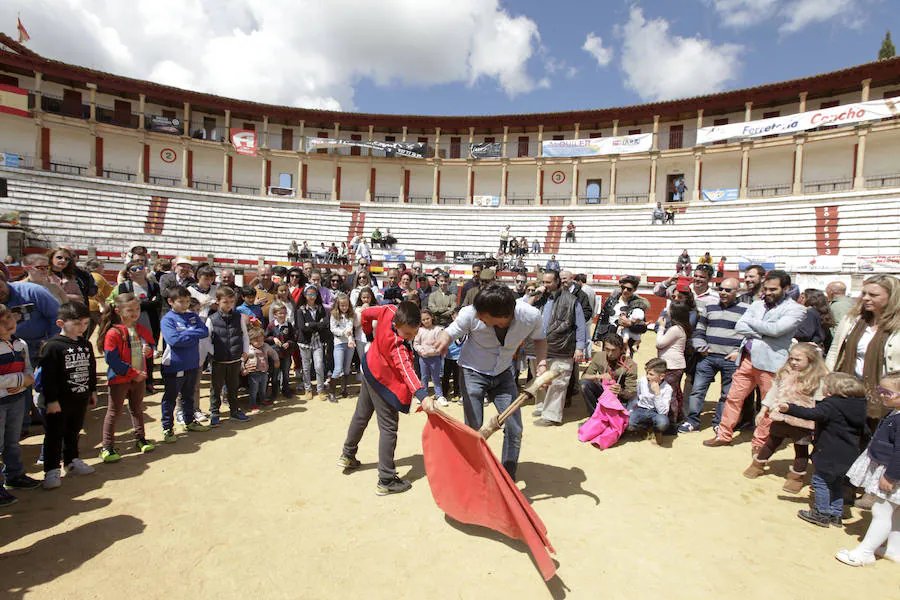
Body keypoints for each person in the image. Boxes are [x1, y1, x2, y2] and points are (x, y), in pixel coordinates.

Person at [435, 284, 547, 479]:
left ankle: (507, 478)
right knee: (474, 429)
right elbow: (451, 330)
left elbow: (539, 339)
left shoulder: (531, 316)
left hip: (504, 374)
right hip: (472, 373)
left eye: (482, 316)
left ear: (501, 318)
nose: (478, 317)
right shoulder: (471, 312)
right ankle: (475, 474)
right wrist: (443, 339)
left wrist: (542, 365)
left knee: (514, 428)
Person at [704, 270, 807, 450]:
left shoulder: (796, 309)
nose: (767, 292)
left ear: (786, 288)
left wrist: (756, 327)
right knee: (733, 398)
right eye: (766, 288)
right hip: (747, 359)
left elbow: (777, 330)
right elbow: (740, 326)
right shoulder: (757, 304)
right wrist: (765, 332)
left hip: (772, 363)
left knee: (767, 404)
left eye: (773, 289)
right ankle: (723, 434)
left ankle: (760, 442)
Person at [338, 302, 432, 496]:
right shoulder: (398, 345)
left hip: (369, 369)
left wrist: (369, 334)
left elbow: (365, 314)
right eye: (407, 334)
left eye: (414, 332)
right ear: (397, 325)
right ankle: (386, 479)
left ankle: (348, 454)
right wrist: (422, 395)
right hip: (384, 383)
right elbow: (406, 370)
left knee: (361, 416)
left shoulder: (389, 310)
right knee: (389, 428)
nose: (411, 337)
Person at [774, 372, 867, 528]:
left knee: (820, 481)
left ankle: (821, 513)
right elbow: (865, 433)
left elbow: (811, 414)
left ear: (832, 391)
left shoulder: (831, 405)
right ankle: (835, 514)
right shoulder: (858, 407)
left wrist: (789, 408)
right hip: (849, 454)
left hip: (829, 452)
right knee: (837, 483)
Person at [834, 371, 900, 566]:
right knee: (895, 512)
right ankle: (894, 549)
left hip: (893, 472)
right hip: (891, 470)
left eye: (887, 392)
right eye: (880, 390)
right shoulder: (895, 412)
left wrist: (891, 476)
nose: (881, 395)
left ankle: (865, 552)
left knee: (881, 511)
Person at [743, 343, 828, 493]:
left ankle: (796, 477)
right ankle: (758, 464)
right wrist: (764, 409)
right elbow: (774, 391)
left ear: (811, 360)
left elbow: (820, 403)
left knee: (801, 449)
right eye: (791, 359)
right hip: (781, 417)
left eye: (798, 360)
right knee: (771, 442)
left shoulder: (818, 378)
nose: (793, 362)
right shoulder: (785, 373)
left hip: (803, 421)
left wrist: (818, 422)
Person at [37, 302, 97, 490]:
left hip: (79, 398)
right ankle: (51, 469)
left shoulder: (85, 344)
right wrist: (52, 400)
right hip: (58, 402)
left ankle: (71, 461)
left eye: (86, 323)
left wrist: (92, 390)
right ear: (61, 323)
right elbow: (48, 376)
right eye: (78, 323)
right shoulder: (53, 347)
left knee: (73, 431)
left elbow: (91, 369)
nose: (82, 328)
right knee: (54, 435)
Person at [826, 274, 900, 428]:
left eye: (873, 295)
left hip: (886, 396)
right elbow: (835, 350)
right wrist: (827, 379)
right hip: (850, 390)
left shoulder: (897, 325)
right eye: (864, 293)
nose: (865, 298)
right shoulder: (852, 319)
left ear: (891, 297)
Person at [679, 278, 749, 433]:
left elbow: (750, 335)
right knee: (697, 390)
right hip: (708, 356)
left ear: (738, 292)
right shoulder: (710, 306)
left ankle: (719, 423)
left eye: (728, 290)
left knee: (726, 394)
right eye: (721, 289)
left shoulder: (746, 309)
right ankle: (692, 421)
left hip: (730, 359)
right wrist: (700, 346)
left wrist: (739, 351)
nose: (723, 293)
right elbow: (699, 329)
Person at [98, 293, 156, 462]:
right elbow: (111, 359)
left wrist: (149, 351)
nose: (134, 313)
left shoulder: (140, 329)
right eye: (130, 310)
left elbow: (150, 346)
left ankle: (140, 438)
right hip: (120, 379)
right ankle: (107, 446)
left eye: (137, 309)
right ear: (118, 310)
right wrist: (134, 374)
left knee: (137, 409)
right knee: (114, 412)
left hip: (139, 378)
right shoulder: (113, 333)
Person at [530, 270, 586, 427]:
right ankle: (542, 407)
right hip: (540, 346)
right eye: (543, 282)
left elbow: (580, 325)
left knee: (559, 383)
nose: (545, 285)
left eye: (548, 282)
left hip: (562, 347)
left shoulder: (571, 300)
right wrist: (535, 295)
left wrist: (580, 347)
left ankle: (552, 415)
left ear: (557, 282)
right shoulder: (540, 298)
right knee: (541, 379)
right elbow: (524, 307)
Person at [158, 285, 211, 442]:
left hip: (192, 363)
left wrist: (186, 333)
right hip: (175, 365)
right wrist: (191, 335)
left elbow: (204, 332)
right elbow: (174, 340)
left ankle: (189, 421)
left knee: (188, 396)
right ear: (171, 301)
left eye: (187, 301)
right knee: (171, 397)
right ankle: (167, 427)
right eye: (181, 301)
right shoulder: (168, 319)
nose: (185, 304)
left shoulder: (192, 316)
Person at [0, 304, 38, 499]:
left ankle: (14, 475)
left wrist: (23, 383)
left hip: (16, 400)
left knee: (12, 442)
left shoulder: (20, 344)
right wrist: (19, 381)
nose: (8, 323)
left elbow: (29, 370)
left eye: (9, 317)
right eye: (1, 321)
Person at [113, 259, 162, 394]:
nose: (138, 270)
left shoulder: (153, 286)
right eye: (134, 269)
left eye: (140, 267)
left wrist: (137, 304)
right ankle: (129, 378)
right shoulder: (124, 286)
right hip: (130, 323)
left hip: (148, 322)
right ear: (128, 273)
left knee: (148, 351)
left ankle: (149, 381)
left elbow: (157, 303)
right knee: (129, 351)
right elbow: (124, 304)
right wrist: (146, 303)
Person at [206, 286, 251, 426]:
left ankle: (234, 411)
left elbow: (244, 336)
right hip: (218, 361)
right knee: (216, 388)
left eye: (231, 301)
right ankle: (215, 413)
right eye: (225, 302)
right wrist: (214, 353)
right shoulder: (212, 319)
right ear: (218, 301)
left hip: (235, 359)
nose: (229, 305)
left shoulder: (239, 317)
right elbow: (206, 340)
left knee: (233, 387)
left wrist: (244, 351)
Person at [580, 333, 637, 416]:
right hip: (603, 391)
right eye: (607, 349)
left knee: (627, 424)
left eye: (613, 350)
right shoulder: (599, 356)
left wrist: (621, 392)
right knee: (584, 384)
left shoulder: (630, 364)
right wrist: (599, 376)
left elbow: (631, 392)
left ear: (621, 350)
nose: (609, 353)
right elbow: (584, 377)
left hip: (619, 398)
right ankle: (594, 415)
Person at [592, 275, 650, 355]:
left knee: (622, 365)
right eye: (623, 288)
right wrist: (596, 337)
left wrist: (630, 324)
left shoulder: (638, 304)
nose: (625, 291)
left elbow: (643, 328)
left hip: (626, 341)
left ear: (635, 290)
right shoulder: (611, 299)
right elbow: (602, 318)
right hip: (609, 338)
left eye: (629, 289)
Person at [655, 302, 691, 426]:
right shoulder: (681, 328)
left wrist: (661, 327)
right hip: (675, 364)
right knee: (675, 392)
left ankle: (671, 421)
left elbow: (660, 343)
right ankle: (677, 417)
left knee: (670, 393)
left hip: (671, 365)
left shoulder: (675, 329)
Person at [627, 358, 672, 445]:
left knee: (663, 423)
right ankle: (646, 429)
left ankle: (656, 431)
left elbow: (663, 411)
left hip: (656, 413)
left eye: (651, 374)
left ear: (661, 376)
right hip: (641, 409)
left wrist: (657, 393)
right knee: (627, 423)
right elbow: (636, 397)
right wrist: (630, 410)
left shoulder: (667, 388)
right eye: (647, 373)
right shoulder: (642, 381)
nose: (648, 376)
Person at [297, 285, 329, 398]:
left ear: (317, 295)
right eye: (309, 294)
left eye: (313, 294)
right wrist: (317, 324)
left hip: (318, 340)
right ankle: (308, 389)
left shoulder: (320, 308)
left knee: (319, 365)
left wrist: (310, 324)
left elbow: (325, 324)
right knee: (306, 367)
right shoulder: (301, 310)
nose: (311, 297)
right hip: (304, 342)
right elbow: (302, 327)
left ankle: (320, 390)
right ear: (305, 295)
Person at [242, 321, 278, 415]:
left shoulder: (265, 346)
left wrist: (276, 360)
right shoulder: (248, 349)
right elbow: (242, 359)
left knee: (263, 388)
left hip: (264, 372)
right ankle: (252, 404)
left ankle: (263, 400)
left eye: (261, 340)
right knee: (254, 390)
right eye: (256, 341)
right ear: (251, 340)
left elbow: (273, 352)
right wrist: (243, 369)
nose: (259, 343)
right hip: (253, 373)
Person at [414, 309, 446, 406]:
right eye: (423, 320)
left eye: (427, 318)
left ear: (432, 317)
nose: (426, 321)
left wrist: (431, 352)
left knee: (436, 377)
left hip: (435, 358)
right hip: (423, 358)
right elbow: (416, 343)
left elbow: (440, 345)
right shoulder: (419, 330)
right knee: (424, 377)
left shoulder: (438, 330)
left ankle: (439, 395)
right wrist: (421, 351)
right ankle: (424, 395)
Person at [328, 293, 356, 401]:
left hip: (349, 343)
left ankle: (344, 390)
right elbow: (333, 329)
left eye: (346, 305)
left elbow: (350, 327)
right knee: (338, 368)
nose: (344, 307)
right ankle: (331, 392)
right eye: (342, 305)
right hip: (339, 343)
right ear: (338, 305)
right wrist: (344, 333)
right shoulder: (334, 315)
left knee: (347, 368)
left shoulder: (350, 315)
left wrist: (350, 340)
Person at [265, 301, 295, 400]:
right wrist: (273, 339)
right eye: (280, 313)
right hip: (275, 354)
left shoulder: (288, 325)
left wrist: (289, 343)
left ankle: (286, 390)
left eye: (284, 313)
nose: (282, 315)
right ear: (275, 314)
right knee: (275, 374)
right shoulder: (271, 325)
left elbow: (293, 338)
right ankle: (274, 392)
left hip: (286, 354)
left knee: (286, 373)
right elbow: (265, 338)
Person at [84, 258, 112, 340]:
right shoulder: (97, 277)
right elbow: (96, 292)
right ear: (96, 268)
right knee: (107, 328)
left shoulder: (88, 275)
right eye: (101, 266)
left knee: (87, 331)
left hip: (89, 306)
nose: (103, 267)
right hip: (95, 307)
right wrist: (103, 305)